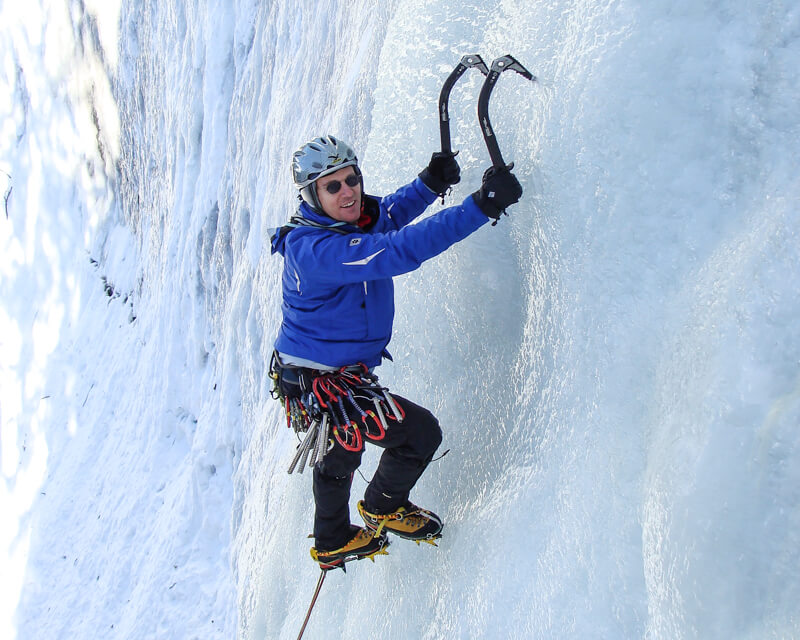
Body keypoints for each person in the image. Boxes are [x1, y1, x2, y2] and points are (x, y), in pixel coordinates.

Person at [270, 135, 522, 570]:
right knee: (408, 437)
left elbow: (386, 217)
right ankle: (364, 519)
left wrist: (428, 184)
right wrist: (481, 207)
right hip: (322, 380)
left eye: (351, 179)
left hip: (331, 373)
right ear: (312, 195)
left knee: (354, 447)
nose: (348, 191)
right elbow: (395, 249)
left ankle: (354, 525)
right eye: (333, 187)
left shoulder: (349, 222)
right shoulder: (314, 250)